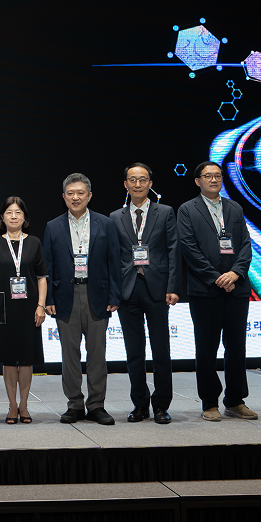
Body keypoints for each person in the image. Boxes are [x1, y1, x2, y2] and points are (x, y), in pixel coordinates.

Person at [177, 160, 256, 422]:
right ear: (197, 181)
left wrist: (235, 273)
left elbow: (246, 244)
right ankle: (209, 403)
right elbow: (189, 249)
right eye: (208, 176)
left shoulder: (234, 207)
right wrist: (217, 278)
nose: (214, 180)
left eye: (218, 176)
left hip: (237, 288)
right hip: (205, 291)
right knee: (206, 348)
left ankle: (235, 401)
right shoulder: (187, 209)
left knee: (237, 347)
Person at [43, 172, 121, 426]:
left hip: (96, 294)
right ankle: (74, 404)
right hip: (65, 296)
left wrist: (114, 295)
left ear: (89, 196)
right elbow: (48, 266)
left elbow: (114, 261)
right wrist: (49, 298)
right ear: (63, 196)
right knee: (69, 354)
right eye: (70, 193)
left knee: (97, 353)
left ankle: (97, 405)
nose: (75, 197)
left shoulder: (105, 223)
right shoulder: (53, 226)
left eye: (80, 193)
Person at [110, 163, 179, 425]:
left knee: (161, 350)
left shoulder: (165, 212)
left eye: (142, 179)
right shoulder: (115, 216)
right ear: (125, 184)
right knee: (134, 351)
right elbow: (112, 257)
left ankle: (161, 405)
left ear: (150, 183)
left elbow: (173, 250)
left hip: (158, 289)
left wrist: (173, 287)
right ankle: (140, 404)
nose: (137, 184)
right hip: (128, 290)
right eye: (132, 180)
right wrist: (113, 293)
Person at [0, 196, 47, 424]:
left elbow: (41, 277)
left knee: (27, 359)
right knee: (9, 359)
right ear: (2, 217)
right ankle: (12, 406)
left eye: (18, 212)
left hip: (30, 307)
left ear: (24, 217)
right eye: (9, 212)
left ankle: (24, 405)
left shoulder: (35, 242)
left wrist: (41, 305)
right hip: (3, 308)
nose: (13, 216)